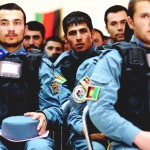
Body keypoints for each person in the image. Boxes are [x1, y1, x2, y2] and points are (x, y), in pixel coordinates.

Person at [86, 0, 150, 149]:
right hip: (130, 143)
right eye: (145, 16)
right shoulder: (113, 59)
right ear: (131, 22)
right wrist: (137, 136)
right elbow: (98, 109)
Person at [0, 3, 62, 150]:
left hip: (33, 134)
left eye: (17, 23)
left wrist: (45, 115)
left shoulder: (41, 63)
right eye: (4, 23)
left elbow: (55, 108)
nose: (11, 28)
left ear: (25, 28)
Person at [55, 11, 106, 149]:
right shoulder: (60, 66)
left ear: (92, 33)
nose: (78, 37)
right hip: (76, 128)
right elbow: (65, 106)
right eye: (72, 33)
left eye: (83, 31)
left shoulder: (107, 59)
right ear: (65, 38)